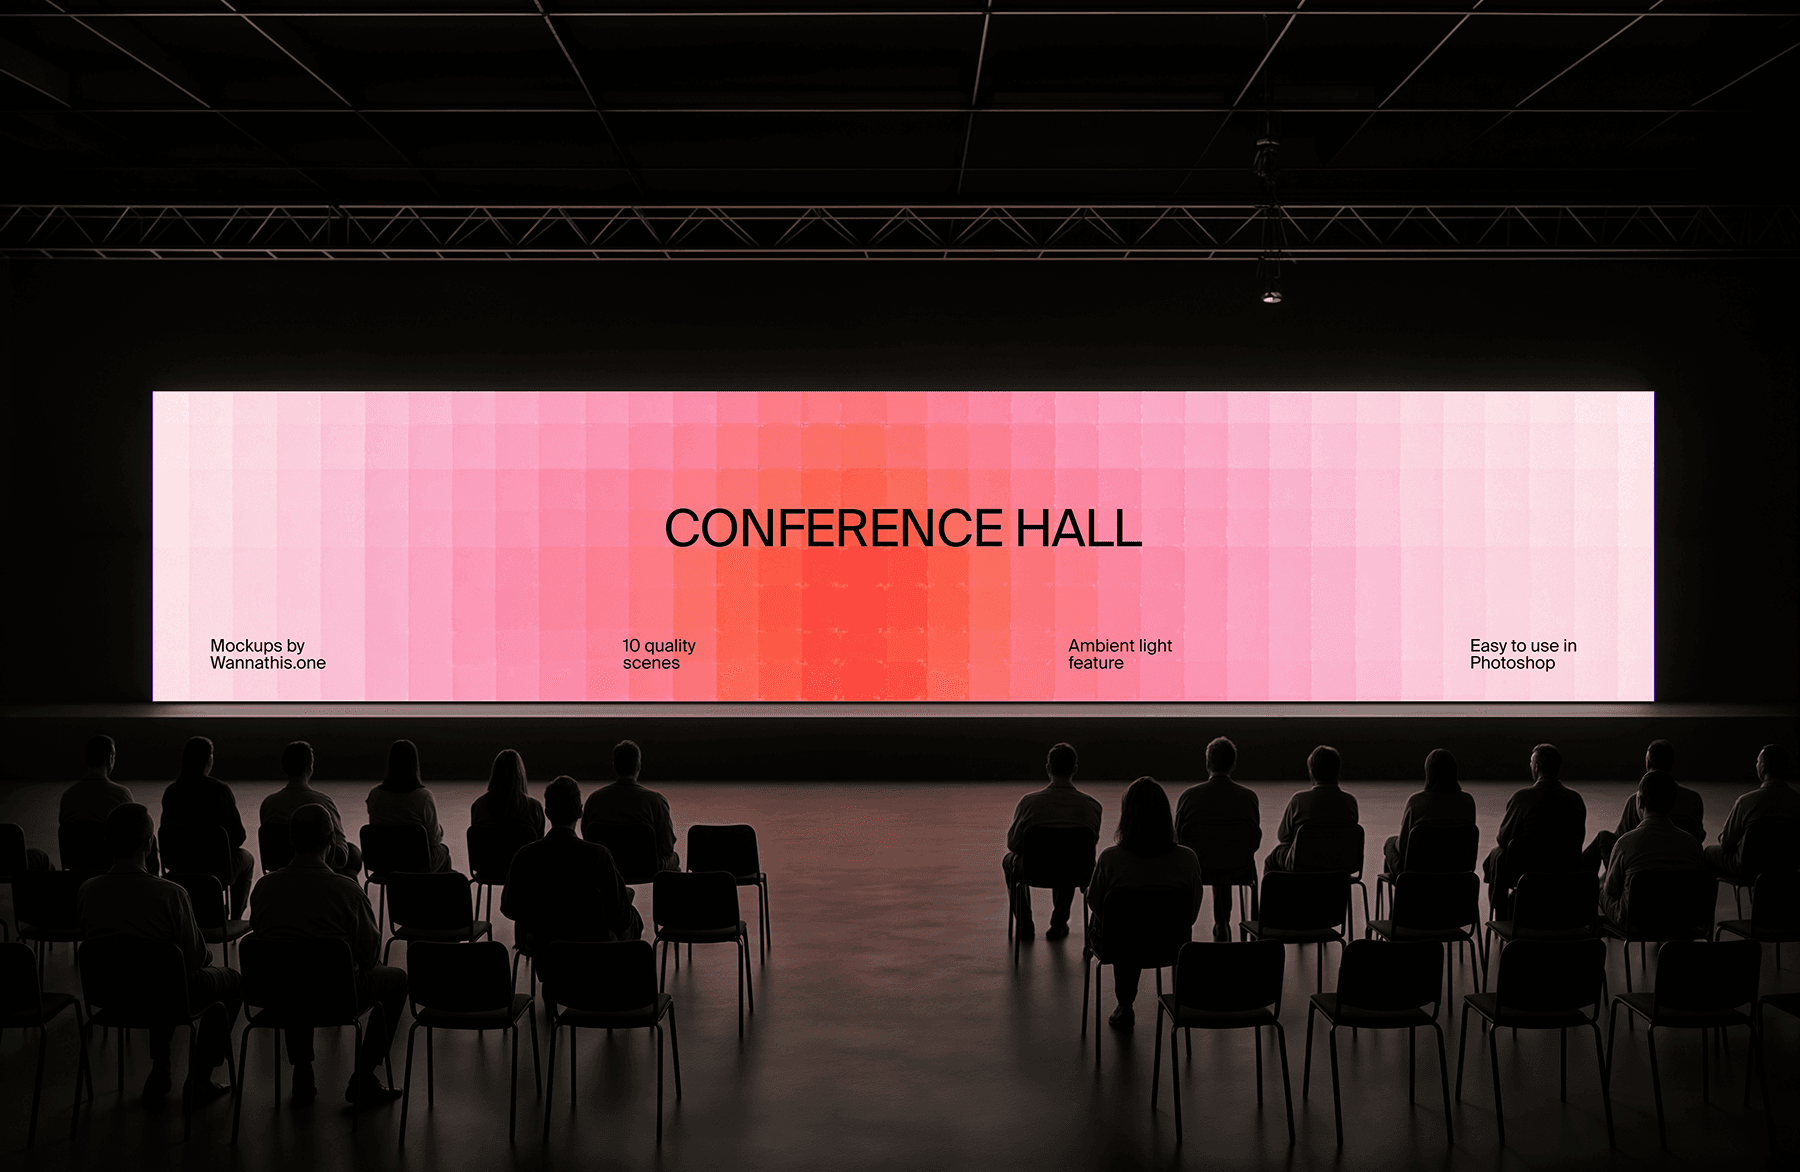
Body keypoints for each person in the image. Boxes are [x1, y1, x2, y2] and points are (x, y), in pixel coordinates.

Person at [77, 803, 240, 1105]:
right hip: (165, 992)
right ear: (149, 844)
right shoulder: (171, 894)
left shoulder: (88, 890)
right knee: (222, 981)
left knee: (151, 973)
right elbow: (196, 960)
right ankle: (200, 1078)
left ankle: (161, 1069)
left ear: (107, 842)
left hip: (112, 994)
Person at [248, 804, 406, 1106]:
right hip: (337, 996)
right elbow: (371, 956)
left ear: (291, 840)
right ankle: (364, 1076)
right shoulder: (347, 891)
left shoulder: (264, 888)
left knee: (291, 972)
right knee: (397, 980)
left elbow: (263, 938)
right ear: (332, 842)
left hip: (280, 995)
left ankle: (303, 1069)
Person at [1086, 777, 1203, 1031]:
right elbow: (1190, 914)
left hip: (1120, 945)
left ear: (1126, 815)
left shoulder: (1110, 859)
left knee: (1122, 929)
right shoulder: (1187, 859)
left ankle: (1125, 1005)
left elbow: (1095, 904)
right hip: (1170, 945)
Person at [502, 776, 642, 947]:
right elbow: (621, 919)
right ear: (580, 812)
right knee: (631, 915)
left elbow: (509, 907)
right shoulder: (599, 856)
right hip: (593, 943)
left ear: (547, 812)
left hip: (545, 945)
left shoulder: (525, 855)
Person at [1002, 742, 1104, 941]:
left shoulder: (1029, 803)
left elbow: (1013, 845)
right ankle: (1058, 924)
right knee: (1071, 858)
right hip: (1075, 871)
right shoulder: (1092, 806)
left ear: (1048, 768)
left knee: (1009, 861)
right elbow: (1088, 847)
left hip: (1034, 870)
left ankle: (1024, 925)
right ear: (1074, 769)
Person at [1174, 736, 1261, 941]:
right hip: (1238, 868)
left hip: (1198, 868)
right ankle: (1230, 924)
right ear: (1233, 764)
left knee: (1214, 854)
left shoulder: (1188, 797)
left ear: (1207, 764)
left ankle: (1185, 928)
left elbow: (1178, 841)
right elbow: (1254, 843)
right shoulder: (1248, 798)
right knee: (1227, 856)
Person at [1481, 744, 1586, 910]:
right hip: (1564, 868)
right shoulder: (1575, 800)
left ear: (1536, 767)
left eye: (1531, 762)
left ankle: (1500, 914)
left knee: (1497, 854)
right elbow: (1579, 837)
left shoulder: (1522, 798)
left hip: (1525, 871)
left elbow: (1503, 839)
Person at [160, 735, 255, 917]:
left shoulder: (172, 792)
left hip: (180, 867)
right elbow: (238, 837)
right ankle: (235, 918)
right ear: (209, 759)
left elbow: (167, 833)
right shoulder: (220, 791)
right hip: (216, 870)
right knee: (247, 858)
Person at [1600, 771, 1705, 926]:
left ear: (1640, 802)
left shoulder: (1624, 844)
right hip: (1679, 918)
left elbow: (1611, 890)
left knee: (1601, 892)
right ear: (1672, 802)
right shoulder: (1692, 844)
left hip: (1634, 920)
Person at [1585, 740, 1706, 869]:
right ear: (1671, 763)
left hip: (1641, 868)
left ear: (1647, 763)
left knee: (1603, 838)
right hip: (1683, 870)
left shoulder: (1635, 801)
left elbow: (1620, 842)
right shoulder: (1694, 799)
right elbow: (1698, 836)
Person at [259, 741, 362, 878]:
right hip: (319, 871)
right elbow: (342, 856)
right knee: (353, 852)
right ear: (310, 767)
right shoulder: (323, 802)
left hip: (280, 870)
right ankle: (350, 897)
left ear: (284, 768)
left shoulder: (268, 804)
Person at [581, 740, 679, 871]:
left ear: (614, 766)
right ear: (638, 766)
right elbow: (667, 848)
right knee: (674, 858)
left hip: (606, 867)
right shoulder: (656, 801)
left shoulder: (594, 800)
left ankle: (613, 891)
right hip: (646, 867)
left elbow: (588, 842)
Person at [1706, 744, 1800, 879]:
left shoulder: (1745, 802)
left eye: (1758, 761)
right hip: (1788, 867)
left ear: (1762, 767)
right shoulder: (1797, 801)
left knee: (1708, 853)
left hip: (1749, 868)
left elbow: (1726, 842)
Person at [1383, 748, 1477, 876]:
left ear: (1428, 772)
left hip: (1417, 871)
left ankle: (1403, 893)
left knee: (1390, 842)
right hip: (1457, 869)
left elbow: (1404, 847)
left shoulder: (1416, 801)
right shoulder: (1467, 801)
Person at [1263, 745, 1358, 873]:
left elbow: (1283, 836)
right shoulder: (1350, 802)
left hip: (1303, 865)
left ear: (1312, 773)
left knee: (1273, 858)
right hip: (1341, 866)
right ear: (1338, 773)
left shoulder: (1299, 800)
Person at [365, 739, 451, 872]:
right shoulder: (423, 797)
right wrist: (440, 830)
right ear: (414, 764)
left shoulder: (374, 795)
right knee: (443, 851)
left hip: (382, 863)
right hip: (415, 864)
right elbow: (434, 840)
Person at [471, 749, 547, 842]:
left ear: (494, 773)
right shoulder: (534, 808)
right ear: (520, 774)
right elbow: (538, 848)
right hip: (524, 857)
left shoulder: (478, 806)